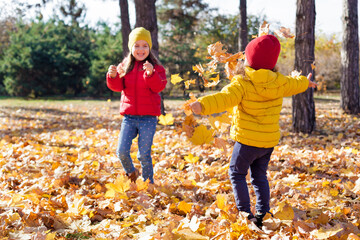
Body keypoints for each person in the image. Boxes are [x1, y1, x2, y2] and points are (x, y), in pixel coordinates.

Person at [190, 34, 317, 227]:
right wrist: (305, 83)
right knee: (259, 176)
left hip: (247, 141)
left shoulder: (243, 82)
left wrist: (202, 105)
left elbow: (224, 98)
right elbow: (295, 84)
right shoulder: (280, 81)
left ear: (248, 59)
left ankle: (245, 213)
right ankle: (263, 212)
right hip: (267, 143)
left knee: (237, 173)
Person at [106, 27, 167, 184]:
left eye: (144, 45)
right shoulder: (125, 66)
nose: (141, 49)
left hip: (148, 118)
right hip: (129, 117)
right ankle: (131, 173)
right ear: (131, 47)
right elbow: (117, 87)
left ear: (149, 48)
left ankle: (148, 184)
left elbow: (159, 87)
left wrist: (151, 74)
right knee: (121, 151)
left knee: (143, 154)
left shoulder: (156, 67)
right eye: (137, 45)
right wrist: (112, 77)